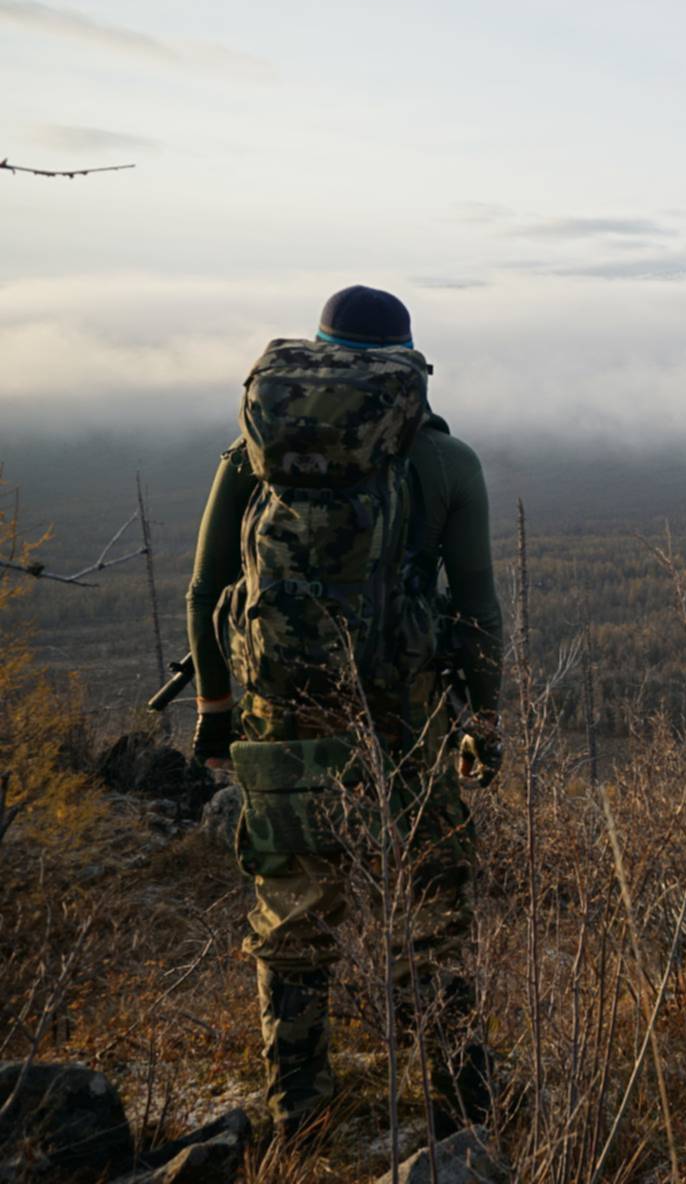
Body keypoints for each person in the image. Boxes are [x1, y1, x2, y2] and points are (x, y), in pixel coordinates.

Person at [184, 284, 504, 1139]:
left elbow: (206, 592)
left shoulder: (252, 454)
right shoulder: (446, 461)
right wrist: (486, 719)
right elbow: (476, 604)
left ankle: (302, 1115)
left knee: (292, 907)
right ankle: (462, 1107)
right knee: (432, 903)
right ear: (405, 360)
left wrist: (218, 712)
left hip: (283, 713)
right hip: (408, 717)